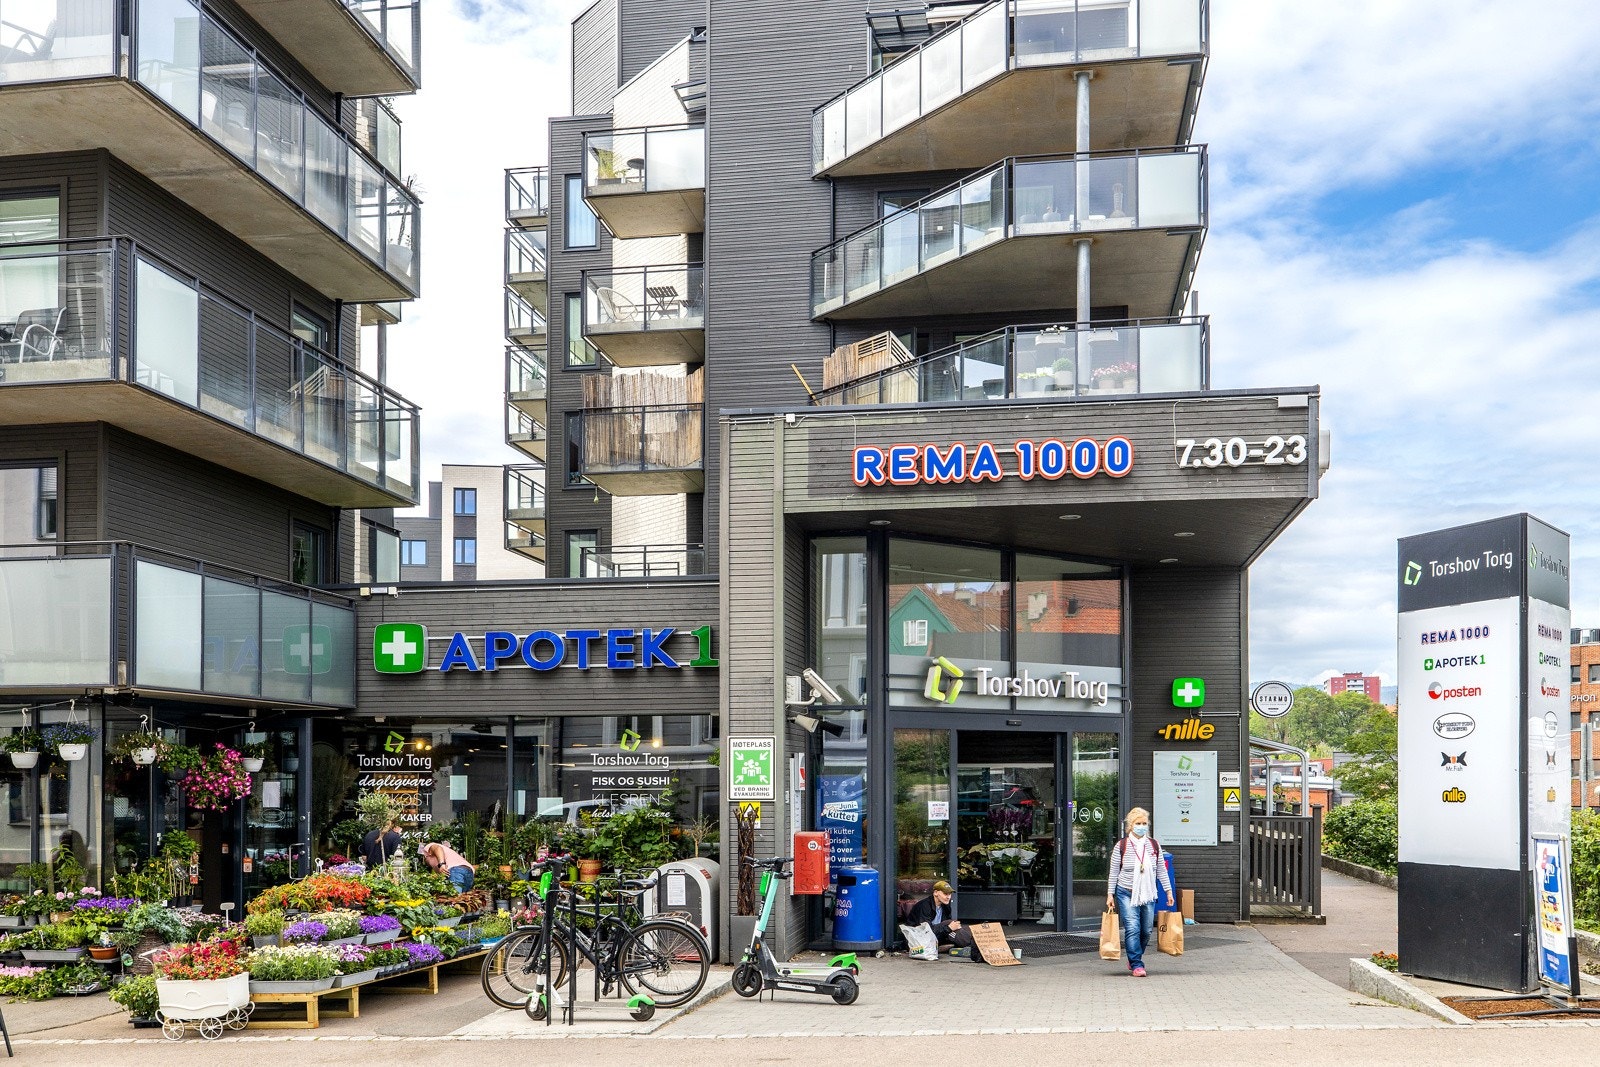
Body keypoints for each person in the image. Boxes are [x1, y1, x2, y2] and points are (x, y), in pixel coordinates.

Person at [1106, 806, 1174, 977]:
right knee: (1132, 927)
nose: (1142, 826)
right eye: (1138, 823)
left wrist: (1168, 891)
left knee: (1146, 931)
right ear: (1131, 825)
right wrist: (1110, 894)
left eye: (1144, 823)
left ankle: (1134, 956)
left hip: (1148, 893)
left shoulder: (1153, 845)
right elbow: (1114, 872)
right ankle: (1137, 964)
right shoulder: (1121, 846)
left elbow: (1161, 870)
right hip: (1126, 891)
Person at [906, 880, 984, 962]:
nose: (948, 897)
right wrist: (948, 928)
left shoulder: (945, 906)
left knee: (963, 927)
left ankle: (975, 946)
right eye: (945, 894)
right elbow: (925, 931)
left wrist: (950, 928)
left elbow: (947, 930)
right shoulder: (924, 906)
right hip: (920, 939)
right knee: (950, 924)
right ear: (936, 893)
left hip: (937, 936)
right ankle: (975, 948)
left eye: (950, 894)